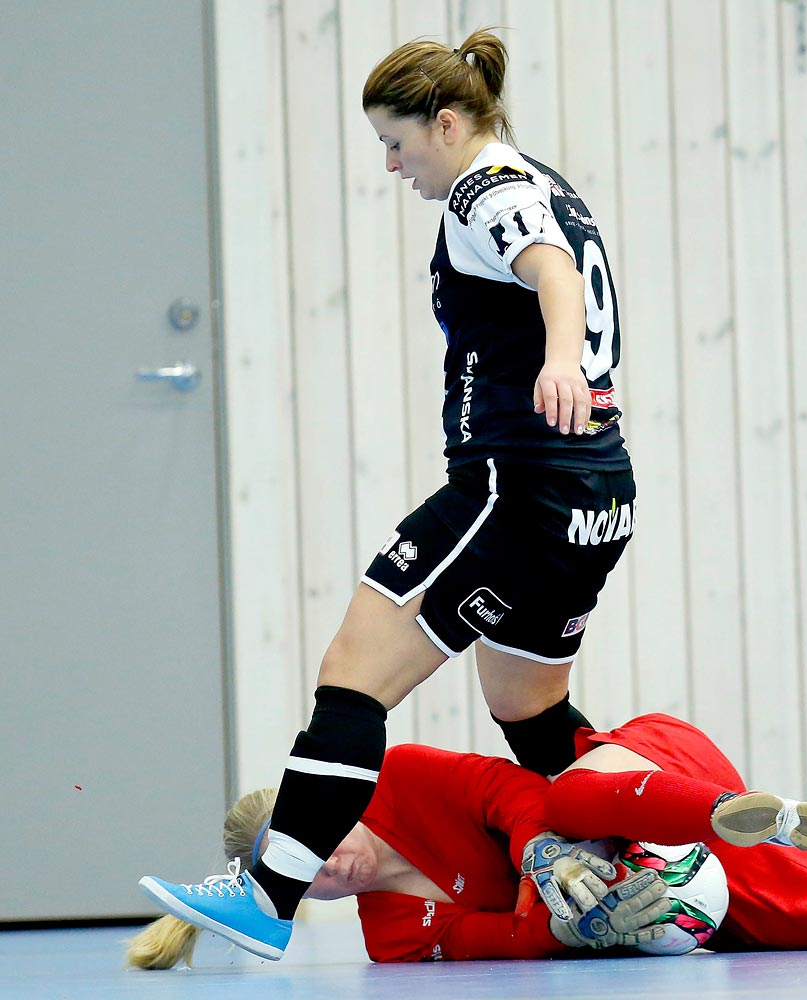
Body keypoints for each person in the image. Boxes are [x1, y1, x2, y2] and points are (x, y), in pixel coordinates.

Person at [138, 28, 645, 960]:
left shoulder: (484, 191)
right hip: (597, 492)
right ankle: (650, 864)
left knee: (352, 676)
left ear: (445, 125)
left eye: (397, 143)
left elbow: (554, 275)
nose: (390, 165)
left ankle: (269, 894)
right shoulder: (542, 180)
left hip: (513, 482)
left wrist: (562, 360)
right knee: (532, 713)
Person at [126, 714, 807, 968]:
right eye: (313, 884)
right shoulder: (393, 933)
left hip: (635, 781)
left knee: (571, 803)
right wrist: (586, 920)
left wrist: (543, 859)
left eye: (322, 837)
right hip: (676, 899)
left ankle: (721, 811)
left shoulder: (402, 773)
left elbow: (510, 795)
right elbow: (513, 944)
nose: (331, 865)